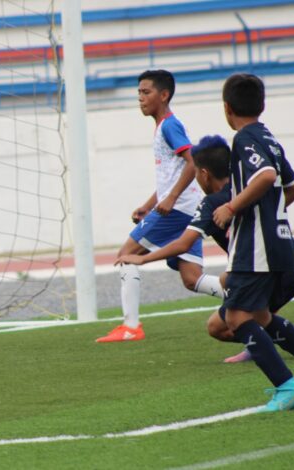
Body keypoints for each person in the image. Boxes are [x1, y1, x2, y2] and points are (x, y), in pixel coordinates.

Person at [115, 135, 294, 364]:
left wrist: (143, 259)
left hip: (269, 266)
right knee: (238, 297)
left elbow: (183, 243)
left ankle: (292, 360)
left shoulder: (214, 203)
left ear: (203, 174)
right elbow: (291, 192)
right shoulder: (247, 188)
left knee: (222, 325)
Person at [210, 73, 294, 411]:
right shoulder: (269, 137)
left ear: (227, 108)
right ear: (261, 104)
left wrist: (232, 206)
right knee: (261, 316)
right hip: (278, 241)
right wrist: (269, 215)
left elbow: (265, 176)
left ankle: (287, 387)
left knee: (236, 318)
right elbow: (293, 188)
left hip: (257, 247)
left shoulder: (244, 139)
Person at [97, 69, 222, 343]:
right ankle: (248, 301)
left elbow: (193, 161)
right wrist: (149, 204)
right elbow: (172, 173)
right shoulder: (162, 126)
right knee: (192, 278)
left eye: (146, 92)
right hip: (184, 208)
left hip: (178, 210)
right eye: (139, 93)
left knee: (127, 253)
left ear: (163, 95)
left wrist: (171, 199)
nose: (140, 98)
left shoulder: (169, 125)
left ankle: (131, 327)